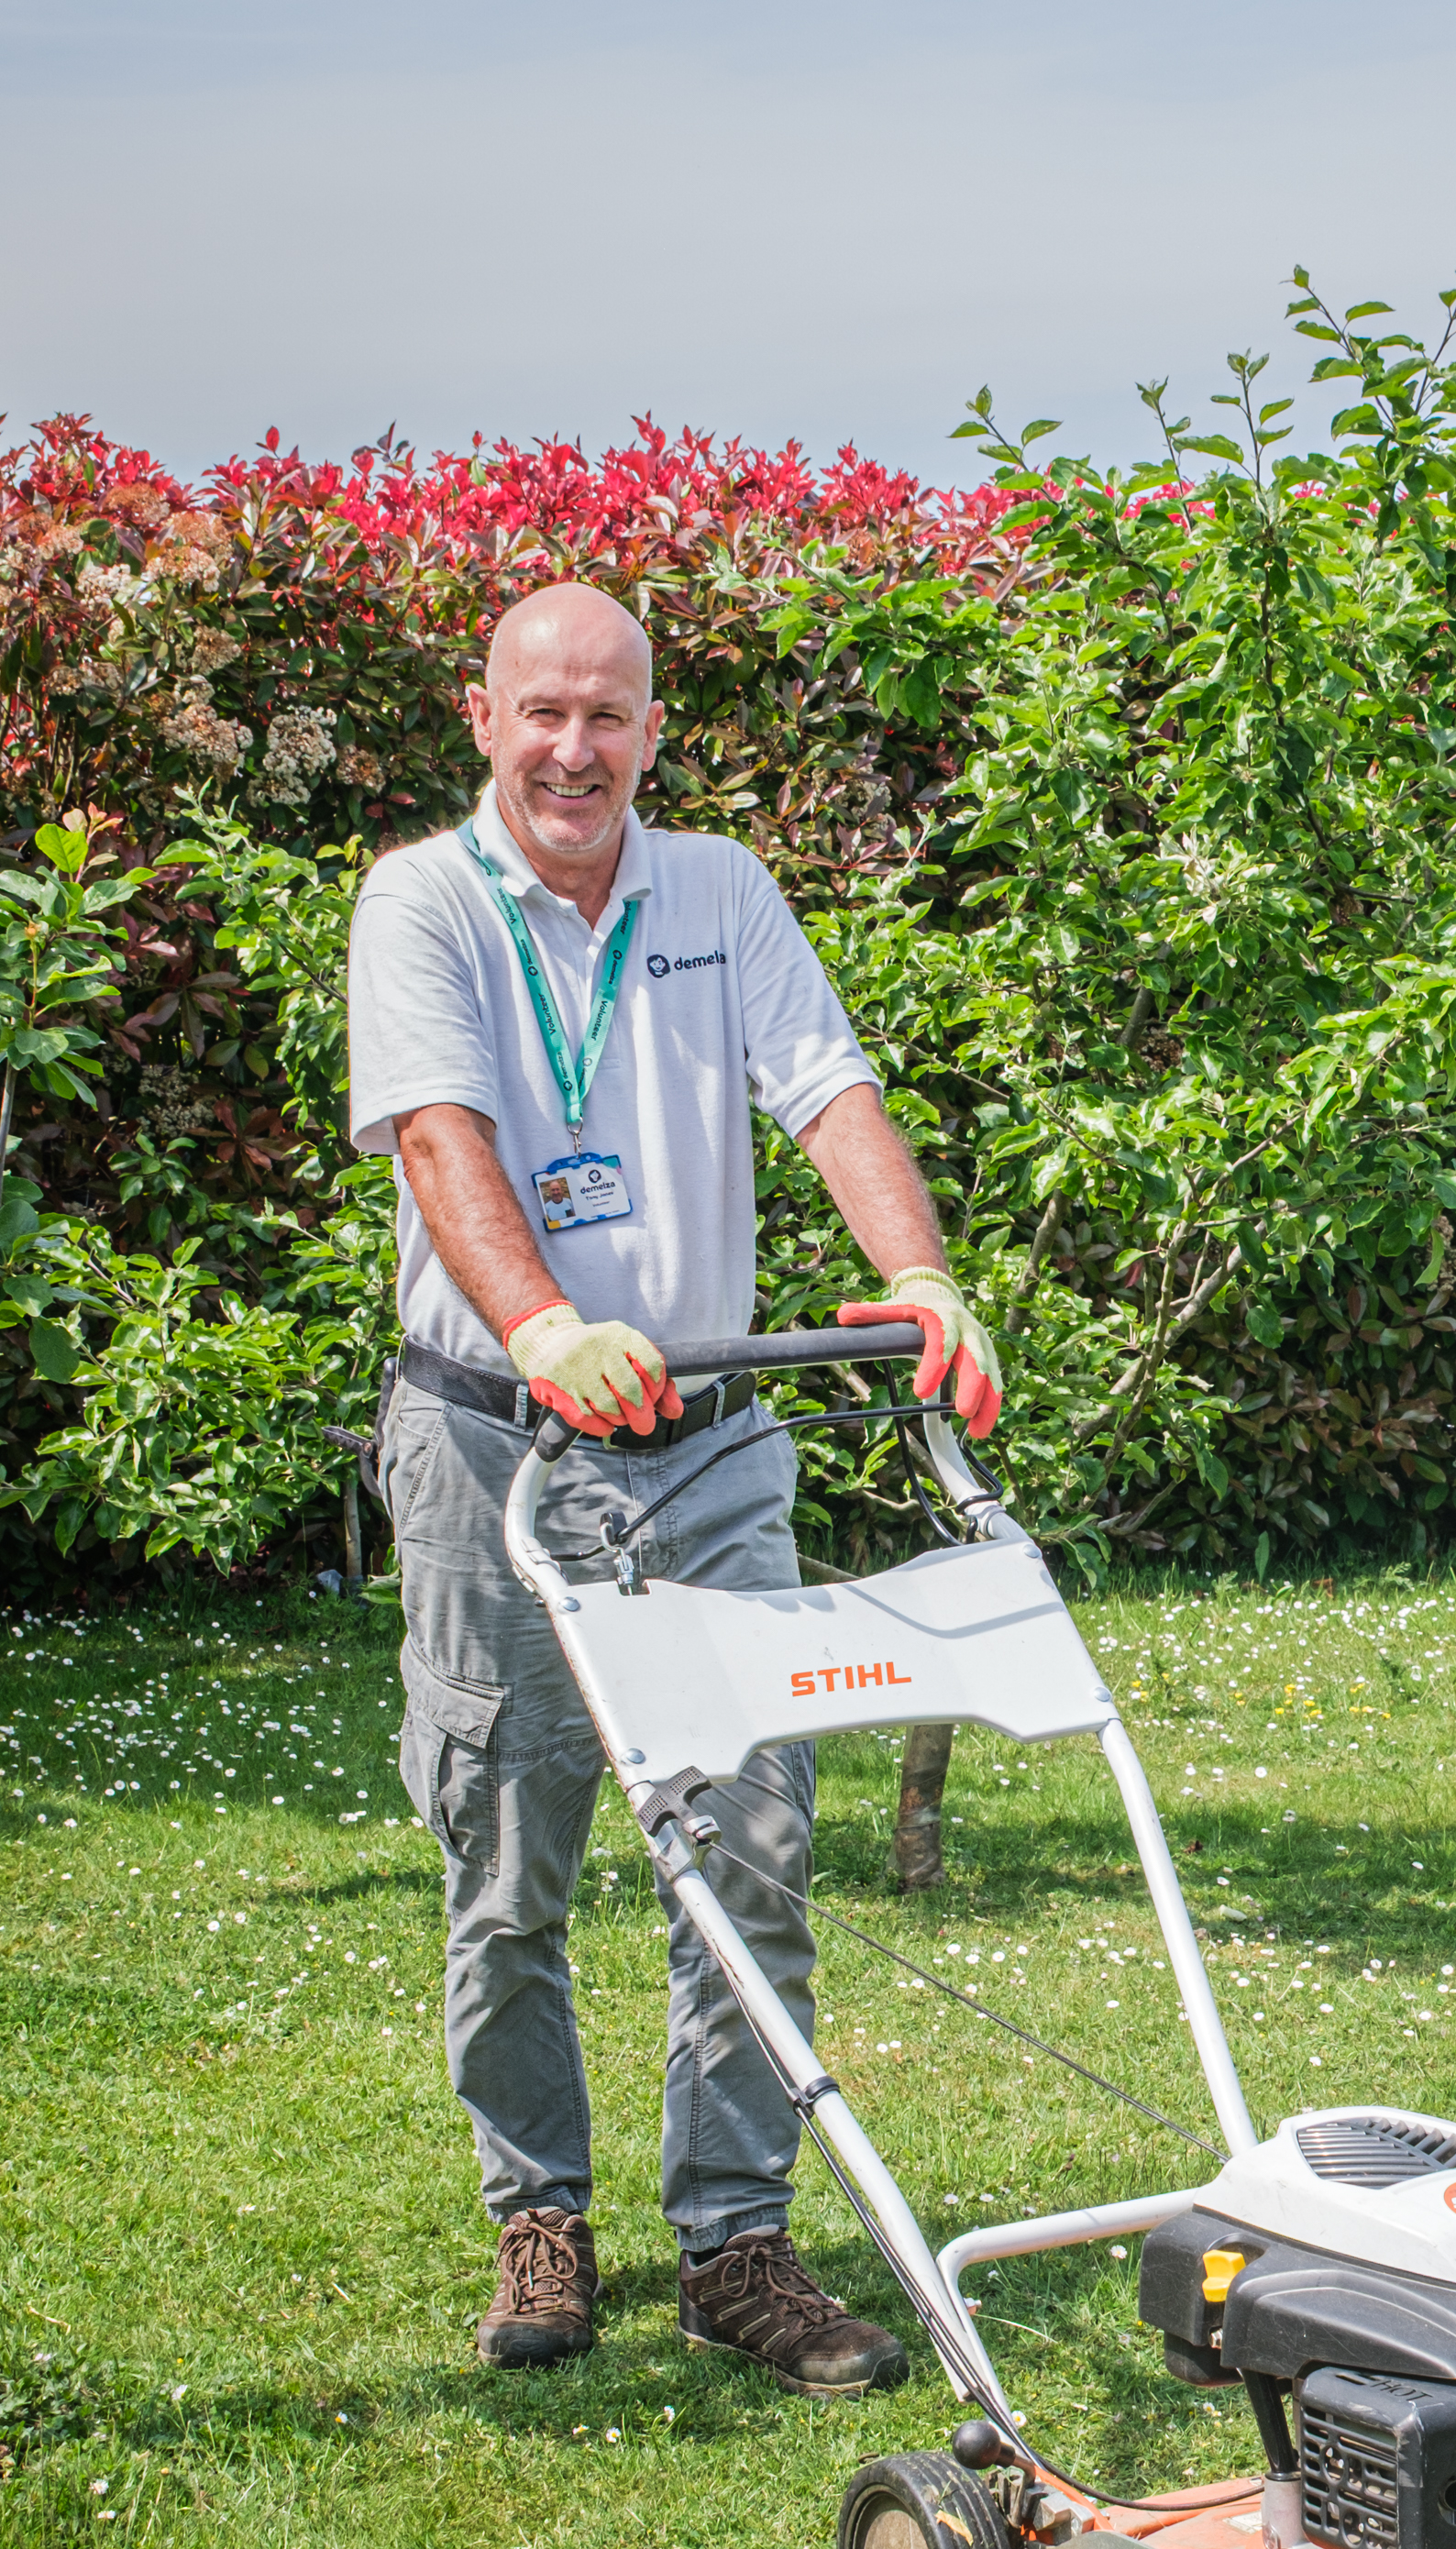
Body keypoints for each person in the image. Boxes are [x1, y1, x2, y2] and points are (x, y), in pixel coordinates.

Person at [347, 580, 1003, 2388]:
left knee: (754, 1840)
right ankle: (537, 2212)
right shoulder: (422, 903)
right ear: (482, 719)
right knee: (510, 1842)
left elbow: (829, 1090)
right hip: (497, 1434)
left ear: (653, 730)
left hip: (709, 1439)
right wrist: (546, 1323)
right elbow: (436, 1132)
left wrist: (924, 1275)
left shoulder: (717, 893)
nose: (575, 749)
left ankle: (734, 2238)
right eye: (542, 713)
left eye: (609, 716)